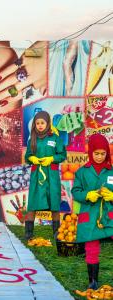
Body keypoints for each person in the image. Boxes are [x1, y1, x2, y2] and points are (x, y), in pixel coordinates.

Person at [71, 133, 113, 290]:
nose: (100, 157)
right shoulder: (82, 172)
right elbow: (75, 192)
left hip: (109, 214)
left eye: (103, 154)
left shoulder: (111, 171)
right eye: (96, 153)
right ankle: (93, 281)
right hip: (89, 214)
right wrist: (87, 195)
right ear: (90, 152)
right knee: (91, 247)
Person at [24, 111, 66, 240]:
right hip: (37, 175)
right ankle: (29, 233)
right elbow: (27, 157)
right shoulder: (32, 139)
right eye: (37, 123)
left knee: (54, 202)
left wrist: (52, 158)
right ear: (34, 125)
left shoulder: (55, 138)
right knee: (33, 203)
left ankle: (56, 232)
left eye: (42, 123)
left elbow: (62, 155)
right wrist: (32, 159)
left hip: (52, 176)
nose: (40, 125)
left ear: (48, 123)